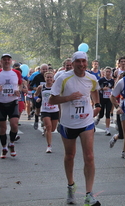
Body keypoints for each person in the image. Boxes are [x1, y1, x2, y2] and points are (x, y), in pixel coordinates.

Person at [48, 51, 101, 206]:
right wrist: (68, 98)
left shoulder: (91, 77)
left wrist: (97, 104)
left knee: (89, 156)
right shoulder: (63, 78)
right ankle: (71, 186)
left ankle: (89, 194)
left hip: (86, 122)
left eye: (84, 61)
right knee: (70, 155)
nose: (82, 64)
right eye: (79, 61)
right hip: (68, 123)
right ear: (73, 62)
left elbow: (94, 90)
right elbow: (52, 99)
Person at [0, 54, 23, 159]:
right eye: (5, 60)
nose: (7, 61)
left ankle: (11, 143)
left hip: (13, 102)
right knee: (2, 127)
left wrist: (18, 90)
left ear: (11, 61)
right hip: (1, 103)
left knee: (14, 125)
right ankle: (4, 148)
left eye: (8, 60)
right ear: (1, 61)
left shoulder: (16, 73)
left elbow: (21, 84)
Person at [35, 71, 59, 153]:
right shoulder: (41, 87)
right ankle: (49, 146)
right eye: (47, 77)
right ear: (45, 78)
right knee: (49, 127)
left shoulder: (56, 87)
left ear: (53, 79)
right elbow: (35, 95)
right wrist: (37, 99)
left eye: (50, 77)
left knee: (52, 129)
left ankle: (45, 128)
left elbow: (60, 98)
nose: (49, 79)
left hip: (55, 110)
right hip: (45, 110)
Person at [96, 66, 115, 136]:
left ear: (111, 73)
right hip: (102, 98)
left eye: (109, 72)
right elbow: (96, 88)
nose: (108, 73)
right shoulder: (101, 80)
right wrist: (102, 89)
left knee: (108, 114)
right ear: (104, 72)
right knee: (101, 114)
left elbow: (114, 87)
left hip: (109, 99)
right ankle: (98, 118)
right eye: (107, 71)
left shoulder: (112, 81)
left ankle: (107, 129)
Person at [30, 64, 49, 129]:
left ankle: (44, 124)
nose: (45, 70)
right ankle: (36, 120)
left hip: (47, 96)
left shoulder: (50, 76)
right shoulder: (37, 76)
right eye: (43, 69)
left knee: (46, 110)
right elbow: (30, 86)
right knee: (38, 109)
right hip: (39, 95)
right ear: (40, 70)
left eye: (46, 69)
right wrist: (36, 88)